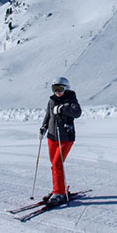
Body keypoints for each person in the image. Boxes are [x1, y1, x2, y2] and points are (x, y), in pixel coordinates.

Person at [39, 77, 82, 206]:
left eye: (60, 89)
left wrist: (63, 108)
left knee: (58, 163)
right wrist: (43, 127)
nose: (57, 92)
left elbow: (77, 112)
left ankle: (59, 192)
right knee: (54, 164)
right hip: (52, 136)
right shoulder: (51, 100)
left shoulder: (71, 99)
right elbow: (48, 116)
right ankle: (58, 189)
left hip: (65, 137)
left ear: (66, 88)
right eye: (55, 89)